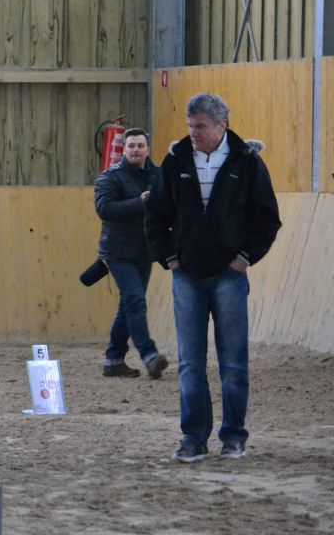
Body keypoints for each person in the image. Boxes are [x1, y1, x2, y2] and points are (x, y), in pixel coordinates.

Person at [146, 93, 281, 463]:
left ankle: (234, 435)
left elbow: (267, 218)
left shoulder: (248, 162)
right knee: (190, 363)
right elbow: (155, 216)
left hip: (229, 276)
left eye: (200, 126)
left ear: (222, 125)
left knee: (233, 362)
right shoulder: (174, 162)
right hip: (185, 275)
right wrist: (169, 258)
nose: (193, 133)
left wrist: (245, 258)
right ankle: (193, 437)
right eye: (190, 126)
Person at [94, 128, 169, 379]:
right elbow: (105, 209)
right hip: (118, 252)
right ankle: (149, 354)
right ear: (123, 150)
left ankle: (113, 359)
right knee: (136, 301)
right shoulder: (110, 177)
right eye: (131, 146)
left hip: (144, 251)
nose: (136, 150)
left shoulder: (158, 175)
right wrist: (141, 202)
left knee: (128, 306)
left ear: (147, 149)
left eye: (140, 146)